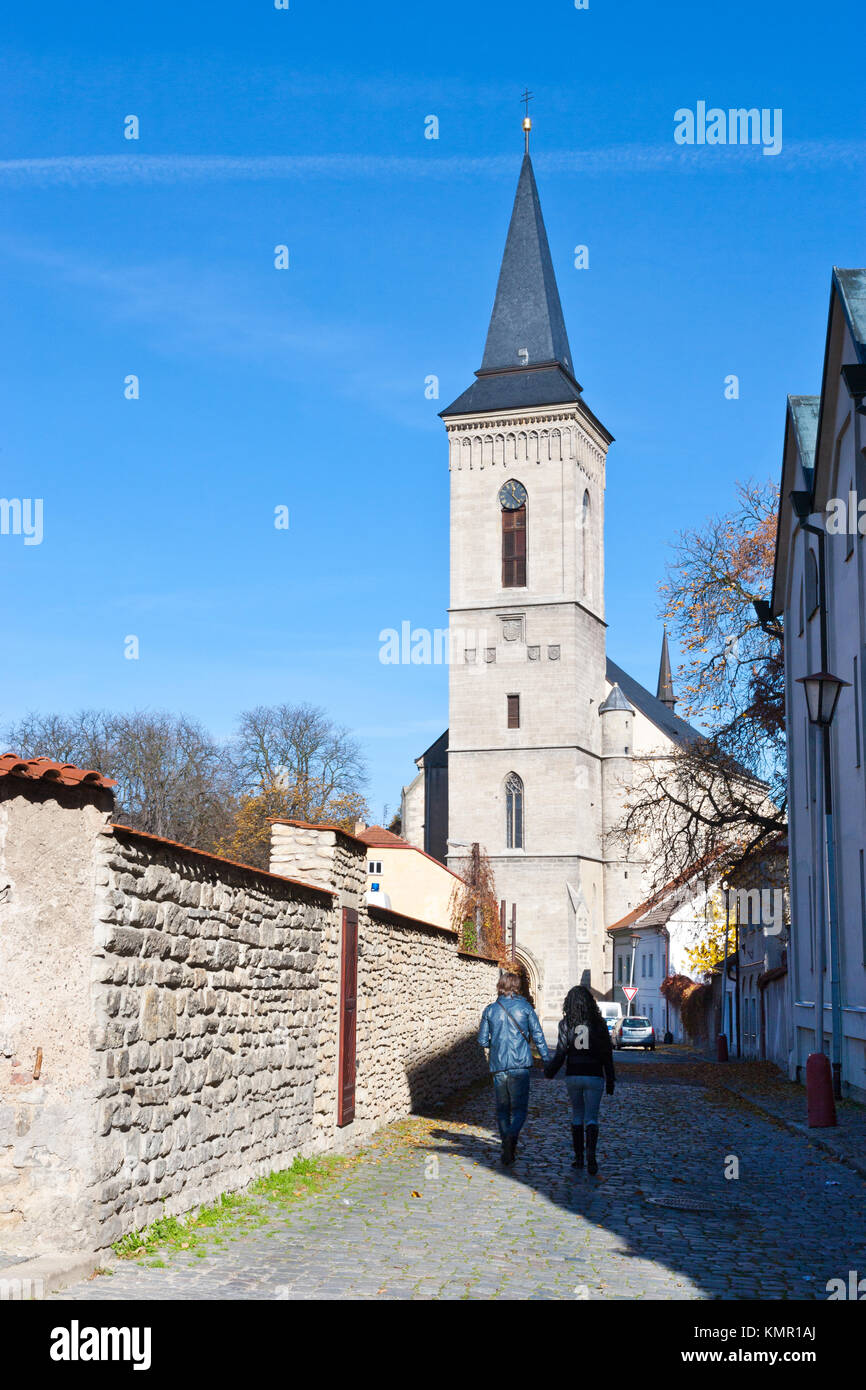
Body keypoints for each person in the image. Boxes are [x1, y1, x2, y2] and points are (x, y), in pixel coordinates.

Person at [478, 969, 550, 1165]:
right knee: (519, 1110)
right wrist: (546, 1059)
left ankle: (506, 1144)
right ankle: (510, 1138)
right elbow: (538, 1035)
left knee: (502, 1110)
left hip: (499, 1066)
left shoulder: (491, 1010)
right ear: (516, 987)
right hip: (520, 1066)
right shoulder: (525, 1008)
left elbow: (483, 1040)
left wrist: (497, 1044)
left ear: (500, 986)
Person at [544, 985, 615, 1175]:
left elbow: (561, 1052)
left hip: (574, 1073)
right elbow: (607, 1054)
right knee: (592, 1117)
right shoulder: (599, 1024)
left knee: (577, 1115)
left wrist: (550, 1071)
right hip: (594, 1074)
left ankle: (579, 1158)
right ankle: (591, 1156)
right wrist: (611, 1079)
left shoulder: (566, 1024)